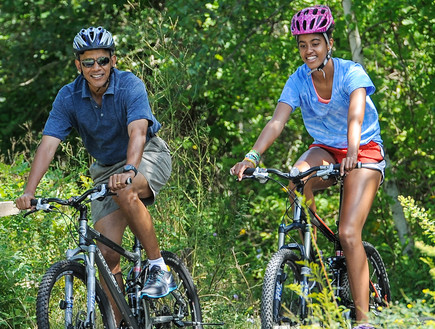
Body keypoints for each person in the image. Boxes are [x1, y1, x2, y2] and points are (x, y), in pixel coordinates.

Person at [230, 5, 385, 329]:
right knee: (296, 178)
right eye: (302, 44)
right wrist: (251, 157)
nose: (308, 50)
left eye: (315, 42)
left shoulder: (350, 72)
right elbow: (276, 121)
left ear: (329, 43)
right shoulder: (299, 79)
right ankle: (308, 255)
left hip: (364, 149)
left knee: (348, 232)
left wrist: (353, 154)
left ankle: (364, 321)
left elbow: (356, 115)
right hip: (326, 148)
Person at [15, 26, 176, 326]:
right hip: (105, 170)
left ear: (113, 60)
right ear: (78, 65)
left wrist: (129, 170)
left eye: (102, 60)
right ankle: (118, 322)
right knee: (105, 256)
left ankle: (158, 267)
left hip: (146, 155)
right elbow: (48, 146)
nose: (96, 68)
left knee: (126, 192)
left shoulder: (130, 85)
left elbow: (138, 132)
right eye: (88, 62)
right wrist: (29, 191)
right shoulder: (68, 97)